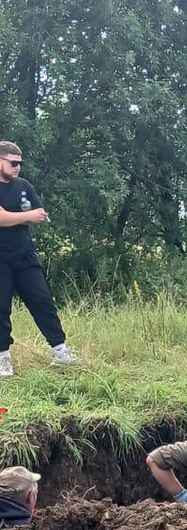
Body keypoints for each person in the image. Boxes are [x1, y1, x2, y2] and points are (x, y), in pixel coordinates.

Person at [0, 141, 79, 377]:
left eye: (20, 164)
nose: (17, 168)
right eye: (13, 163)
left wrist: (28, 216)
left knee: (43, 301)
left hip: (24, 255)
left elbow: (39, 214)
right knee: (1, 307)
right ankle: (3, 357)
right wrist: (26, 216)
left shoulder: (24, 186)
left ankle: (60, 351)